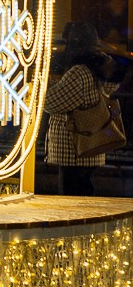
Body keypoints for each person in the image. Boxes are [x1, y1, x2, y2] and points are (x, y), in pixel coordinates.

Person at [44, 22, 119, 196]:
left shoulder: (79, 72)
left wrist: (44, 89)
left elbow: (52, 102)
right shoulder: (101, 67)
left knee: (71, 200)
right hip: (92, 145)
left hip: (74, 149)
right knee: (85, 193)